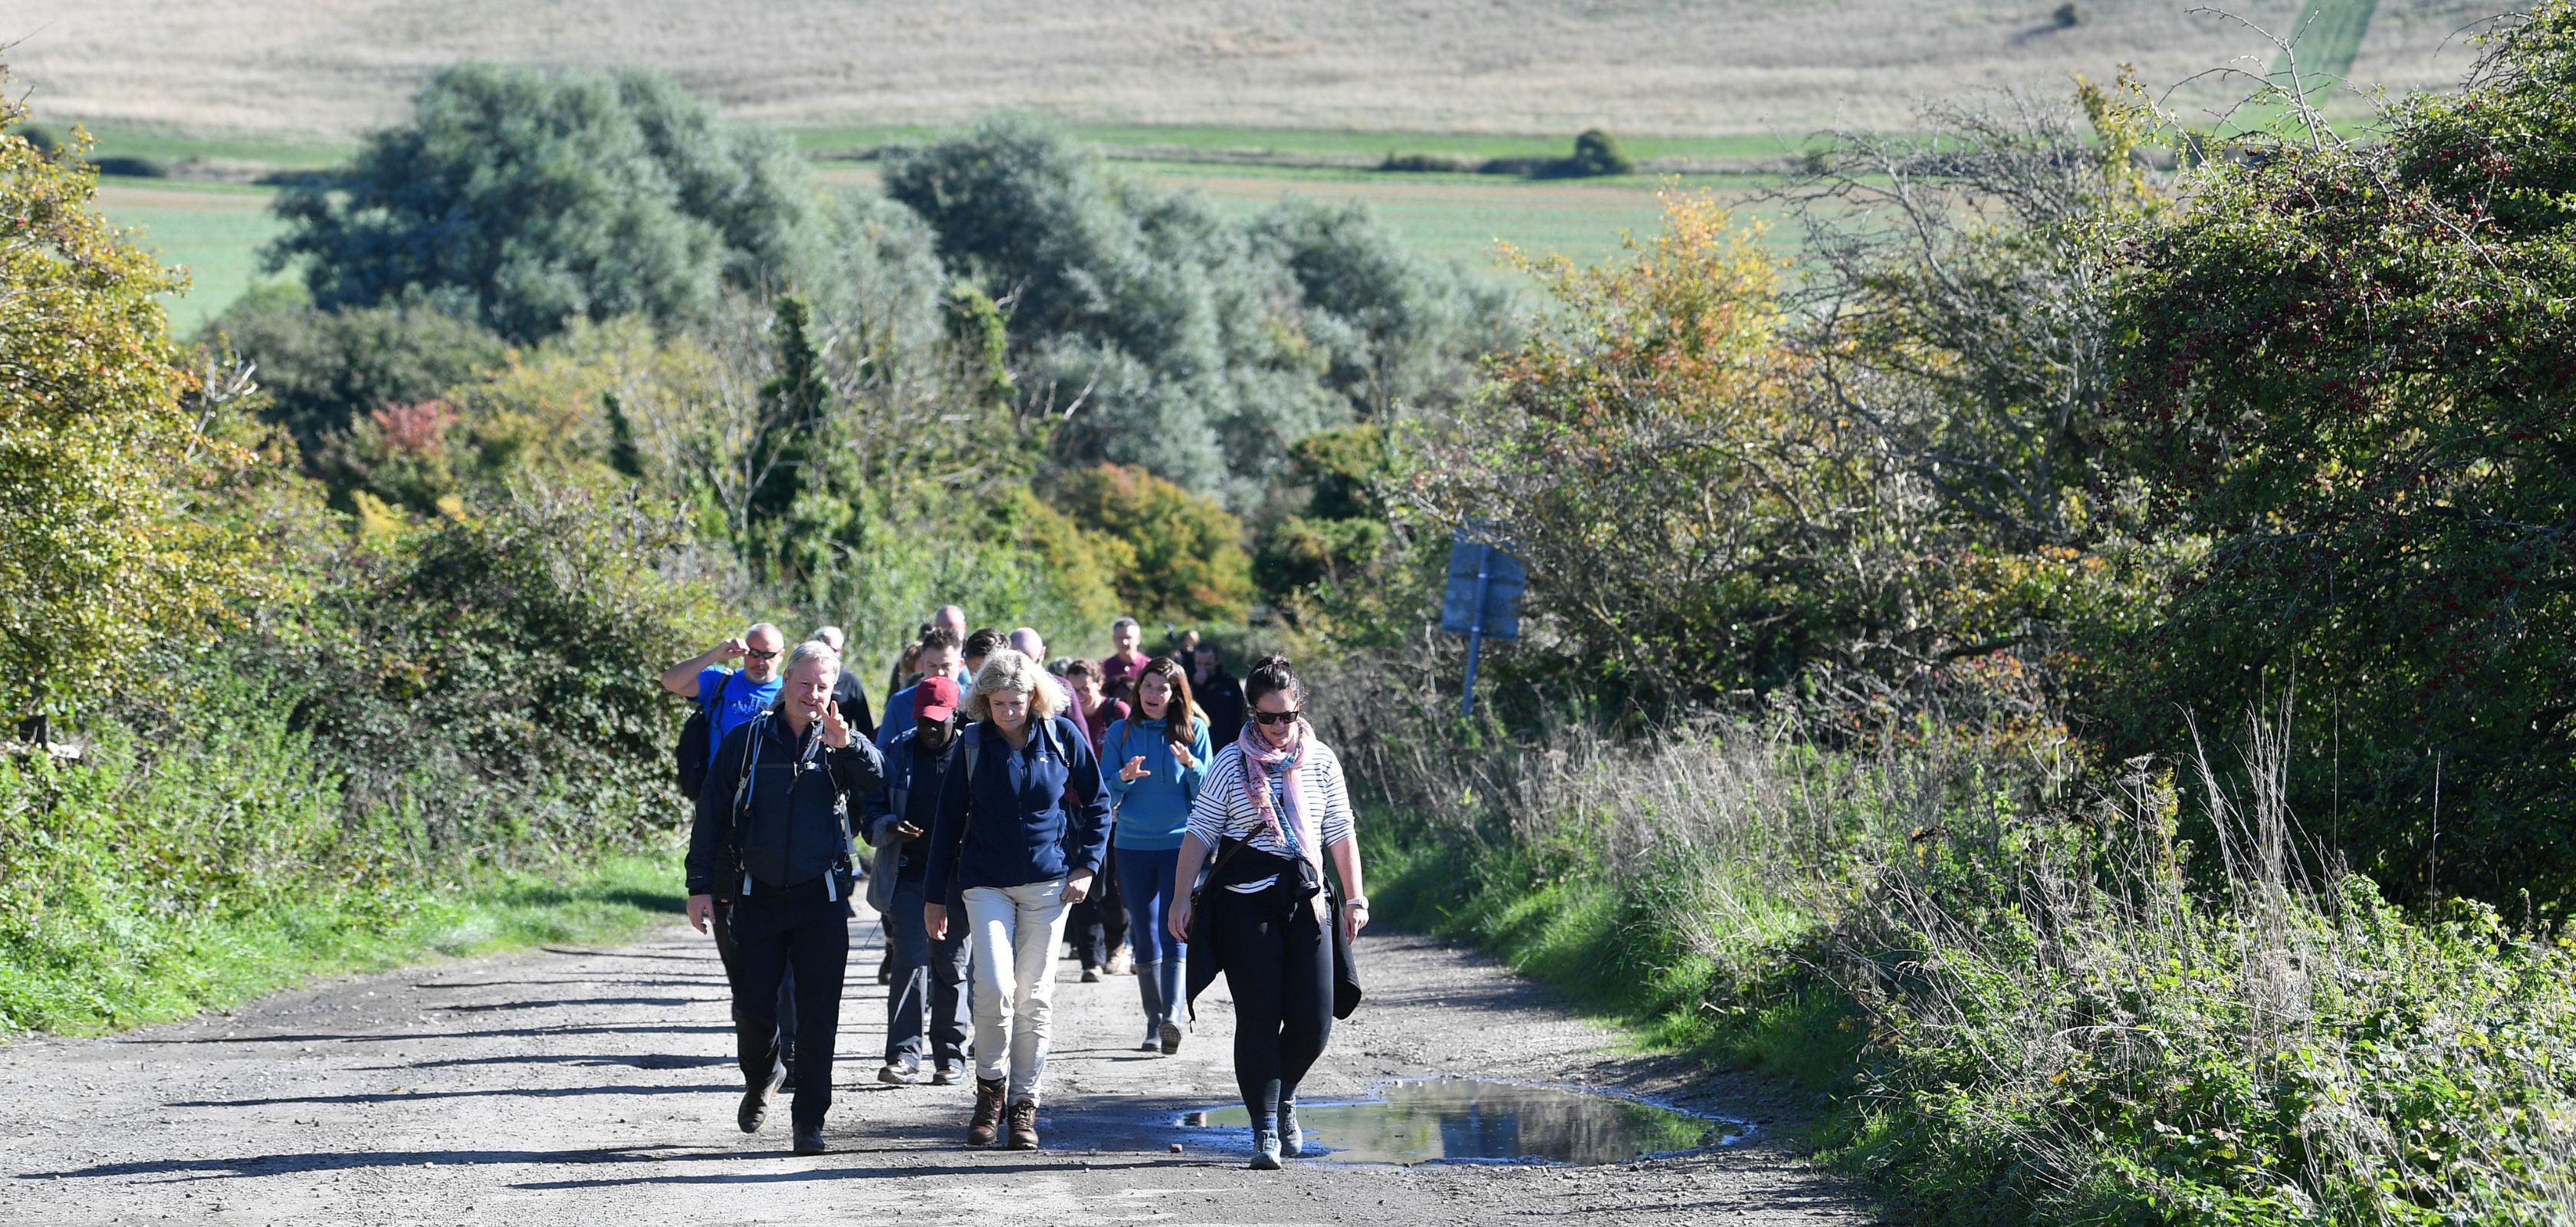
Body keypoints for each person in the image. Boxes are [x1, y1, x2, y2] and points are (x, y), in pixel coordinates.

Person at [685, 641, 886, 1156]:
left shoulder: (840, 743)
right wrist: (700, 886)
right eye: (805, 683)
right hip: (756, 897)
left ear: (833, 689)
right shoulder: (747, 741)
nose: (812, 694)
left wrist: (850, 747)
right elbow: (710, 814)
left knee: (819, 1016)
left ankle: (809, 1122)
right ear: (787, 681)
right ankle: (760, 1078)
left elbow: (879, 782)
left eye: (823, 686)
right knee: (753, 1009)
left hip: (821, 901)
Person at [1171, 655, 1367, 1170]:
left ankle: (1284, 1097)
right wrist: (1179, 897)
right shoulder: (1230, 764)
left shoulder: (1321, 760)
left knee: (1315, 1018)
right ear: (1250, 714)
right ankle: (1264, 1131)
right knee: (1259, 1015)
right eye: (1267, 717)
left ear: (1298, 709)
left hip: (1307, 899)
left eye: (1286, 716)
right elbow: (1200, 833)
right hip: (1244, 903)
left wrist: (1355, 897)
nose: (1278, 728)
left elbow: (1340, 831)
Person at [923, 650, 1111, 1151]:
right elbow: (946, 823)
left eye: (1018, 701)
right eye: (999, 702)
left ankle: (1024, 1107)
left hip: (1050, 886)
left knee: (1035, 997)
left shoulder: (1062, 735)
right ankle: (990, 1093)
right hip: (984, 884)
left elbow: (1098, 803)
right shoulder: (972, 744)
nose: (1010, 711)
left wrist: (1087, 867)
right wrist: (935, 897)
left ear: (1036, 696)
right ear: (985, 702)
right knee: (995, 990)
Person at [660, 624, 802, 1084]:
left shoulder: (791, 692)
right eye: (753, 654)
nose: (760, 662)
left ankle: (788, 1041)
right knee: (733, 935)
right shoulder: (721, 681)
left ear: (783, 656)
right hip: (723, 819)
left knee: (779, 937)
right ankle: (752, 1011)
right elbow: (671, 681)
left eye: (769, 655)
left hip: (774, 822)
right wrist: (715, 652)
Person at [861, 676, 972, 1087]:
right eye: (924, 720)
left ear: (955, 717)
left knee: (951, 965)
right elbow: (868, 812)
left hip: (959, 880)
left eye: (938, 721)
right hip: (908, 875)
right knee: (909, 963)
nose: (930, 728)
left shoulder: (973, 751)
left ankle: (950, 1056)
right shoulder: (896, 751)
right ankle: (904, 1056)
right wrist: (891, 826)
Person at [1105, 656, 1211, 1054]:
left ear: (1175, 694)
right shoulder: (1121, 731)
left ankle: (1173, 1018)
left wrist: (1192, 764)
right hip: (1131, 846)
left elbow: (1207, 796)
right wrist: (1123, 778)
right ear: (1138, 689)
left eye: (1162, 689)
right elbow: (1104, 792)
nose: (1154, 694)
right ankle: (1154, 1024)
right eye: (1148, 686)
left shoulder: (1194, 731)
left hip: (1180, 846)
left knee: (1176, 929)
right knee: (1145, 934)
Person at [1057, 657, 1132, 982]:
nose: (1080, 695)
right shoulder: (1063, 717)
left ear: (1099, 683)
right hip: (1074, 810)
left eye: (1085, 688)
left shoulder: (1117, 713)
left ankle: (1117, 942)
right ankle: (1091, 960)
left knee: (1113, 889)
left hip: (1115, 813)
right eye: (1073, 690)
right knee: (1080, 879)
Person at [878, 627, 962, 754]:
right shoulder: (900, 703)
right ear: (922, 665)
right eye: (932, 665)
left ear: (960, 665)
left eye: (946, 666)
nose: (939, 672)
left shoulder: (972, 702)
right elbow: (882, 755)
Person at [810, 626, 878, 742]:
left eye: (831, 650)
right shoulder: (800, 677)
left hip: (838, 748)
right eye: (820, 648)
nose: (824, 654)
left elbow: (865, 726)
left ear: (840, 651)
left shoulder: (850, 681)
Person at [1191, 642, 1247, 750]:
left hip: (1225, 743)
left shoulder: (1230, 682)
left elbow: (1240, 714)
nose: (1203, 668)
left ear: (1217, 661)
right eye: (1199, 664)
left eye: (1207, 664)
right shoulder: (1188, 679)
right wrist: (1196, 686)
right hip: (1196, 743)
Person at [1099, 617, 1148, 703]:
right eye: (1120, 638)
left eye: (1128, 638)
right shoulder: (1103, 667)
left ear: (1138, 639)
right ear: (1114, 639)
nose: (1124, 642)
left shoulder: (1149, 666)